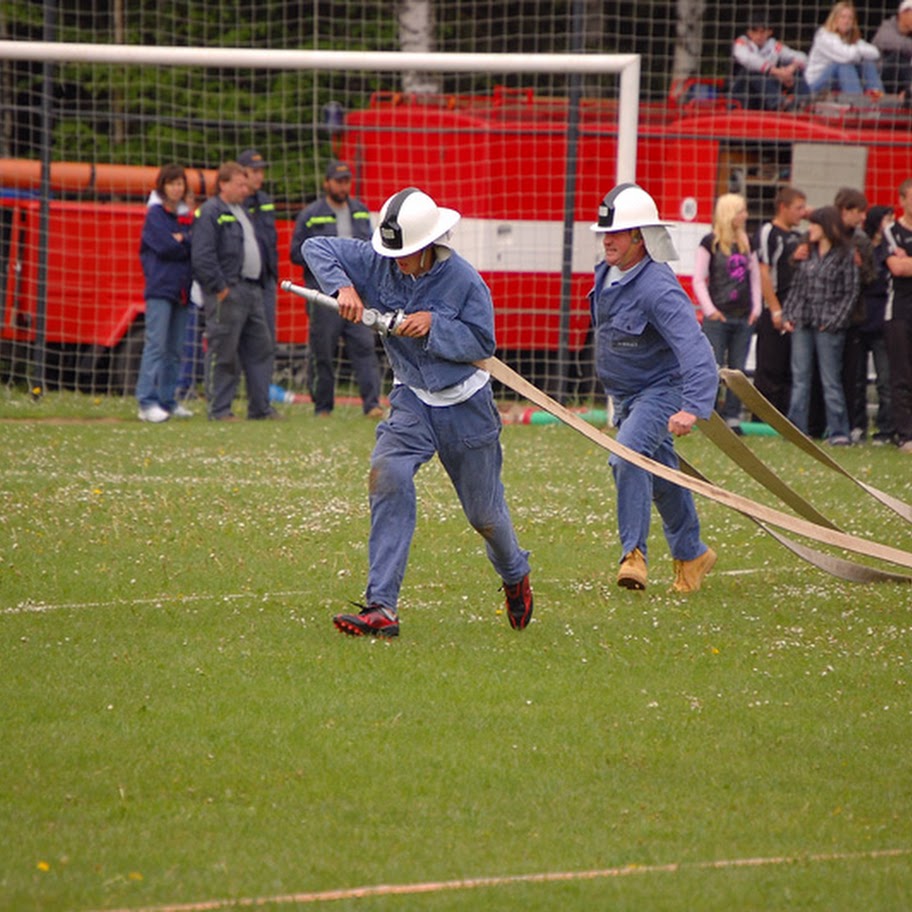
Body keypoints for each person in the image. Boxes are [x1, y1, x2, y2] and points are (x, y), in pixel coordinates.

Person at [302, 186, 533, 637]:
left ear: (430, 244)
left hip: (466, 407)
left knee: (484, 515)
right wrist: (343, 286)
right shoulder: (376, 260)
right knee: (388, 475)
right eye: (393, 251)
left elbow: (483, 344)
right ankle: (381, 607)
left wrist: (435, 325)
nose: (397, 261)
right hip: (410, 400)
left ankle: (515, 574)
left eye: (406, 252)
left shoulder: (466, 281)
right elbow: (316, 247)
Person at [588, 183, 718, 594]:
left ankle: (634, 556)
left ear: (640, 239)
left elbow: (695, 347)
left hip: (660, 392)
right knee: (661, 477)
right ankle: (692, 552)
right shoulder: (607, 271)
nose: (607, 240)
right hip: (626, 398)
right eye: (605, 233)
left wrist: (692, 407)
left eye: (617, 234)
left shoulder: (657, 287)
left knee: (626, 458)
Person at [290, 160, 383, 418]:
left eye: (346, 181)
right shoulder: (310, 214)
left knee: (364, 347)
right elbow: (296, 253)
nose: (344, 186)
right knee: (323, 350)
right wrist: (327, 265)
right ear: (327, 183)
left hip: (358, 295)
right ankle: (322, 407)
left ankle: (372, 404)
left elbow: (373, 249)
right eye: (339, 181)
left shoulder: (361, 211)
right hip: (323, 296)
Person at [191, 161, 275, 421]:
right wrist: (219, 287)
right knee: (223, 350)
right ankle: (219, 409)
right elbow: (202, 255)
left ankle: (260, 408)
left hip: (252, 290)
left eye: (246, 184)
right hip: (228, 292)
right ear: (223, 184)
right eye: (240, 184)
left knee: (261, 349)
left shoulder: (243, 211)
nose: (245, 189)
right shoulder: (211, 211)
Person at [781, 205, 859, 445]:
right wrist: (788, 315)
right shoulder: (807, 252)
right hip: (803, 322)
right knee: (800, 378)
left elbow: (851, 293)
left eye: (814, 224)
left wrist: (834, 321)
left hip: (828, 326)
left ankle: (839, 432)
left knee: (830, 380)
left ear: (826, 227)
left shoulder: (845, 255)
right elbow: (797, 288)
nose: (810, 229)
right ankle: (796, 431)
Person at [692, 193, 762, 435]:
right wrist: (710, 310)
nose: (745, 215)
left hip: (743, 316)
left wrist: (756, 308)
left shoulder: (747, 242)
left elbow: (754, 278)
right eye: (741, 211)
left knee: (738, 368)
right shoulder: (709, 242)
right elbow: (699, 280)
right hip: (718, 317)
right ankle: (707, 413)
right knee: (711, 366)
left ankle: (733, 416)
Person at [135, 163, 194, 423]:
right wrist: (181, 240)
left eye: (180, 183)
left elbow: (193, 242)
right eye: (171, 183)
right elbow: (165, 246)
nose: (176, 188)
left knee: (175, 349)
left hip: (182, 289)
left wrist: (182, 239)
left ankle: (168, 399)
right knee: (156, 345)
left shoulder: (186, 216)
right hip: (160, 289)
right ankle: (146, 401)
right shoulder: (155, 215)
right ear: (163, 186)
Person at [754, 186, 808, 417]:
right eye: (798, 208)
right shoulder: (769, 232)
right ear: (783, 207)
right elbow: (763, 271)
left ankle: (784, 419)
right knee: (769, 367)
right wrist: (775, 309)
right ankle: (763, 418)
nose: (802, 213)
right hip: (774, 310)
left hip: (795, 311)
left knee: (788, 369)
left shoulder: (798, 237)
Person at [845, 205, 896, 443]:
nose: (890, 222)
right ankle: (858, 426)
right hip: (859, 320)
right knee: (857, 379)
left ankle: (885, 429)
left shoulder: (892, 247)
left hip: (883, 321)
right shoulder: (863, 245)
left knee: (885, 380)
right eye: (887, 218)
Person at [238, 149, 280, 417]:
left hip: (265, 281)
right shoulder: (232, 203)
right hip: (239, 284)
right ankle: (219, 406)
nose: (260, 176)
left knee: (265, 345)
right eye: (254, 171)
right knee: (230, 347)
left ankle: (261, 405)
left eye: (261, 170)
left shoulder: (264, 200)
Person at [833, 187, 876, 441]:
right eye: (858, 212)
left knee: (853, 375)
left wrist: (860, 268)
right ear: (844, 210)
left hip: (852, 319)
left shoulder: (861, 240)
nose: (862, 218)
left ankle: (853, 425)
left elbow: (872, 278)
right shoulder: (826, 235)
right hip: (825, 317)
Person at [805, 2, 885, 98]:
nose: (846, 21)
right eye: (843, 17)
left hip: (837, 82)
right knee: (843, 65)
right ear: (834, 19)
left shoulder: (851, 38)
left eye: (850, 18)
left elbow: (875, 52)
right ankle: (857, 102)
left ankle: (878, 97)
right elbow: (847, 56)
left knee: (867, 63)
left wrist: (856, 51)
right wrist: (859, 52)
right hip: (816, 85)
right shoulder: (824, 36)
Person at [730, 13, 809, 110]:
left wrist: (790, 69)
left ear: (769, 31)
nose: (759, 35)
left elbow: (802, 57)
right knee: (753, 70)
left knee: (796, 69)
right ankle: (780, 103)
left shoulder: (773, 46)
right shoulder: (742, 43)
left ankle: (803, 102)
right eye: (755, 31)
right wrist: (778, 72)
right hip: (742, 96)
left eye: (762, 32)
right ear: (749, 32)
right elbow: (749, 60)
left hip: (764, 95)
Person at [885, 178, 912, 453]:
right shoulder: (891, 231)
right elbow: (898, 269)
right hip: (900, 313)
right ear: (902, 200)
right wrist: (903, 264)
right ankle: (905, 435)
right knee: (901, 375)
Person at [872, 0, 912, 98]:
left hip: (900, 81)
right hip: (879, 76)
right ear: (903, 14)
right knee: (897, 57)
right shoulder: (887, 27)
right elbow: (891, 42)